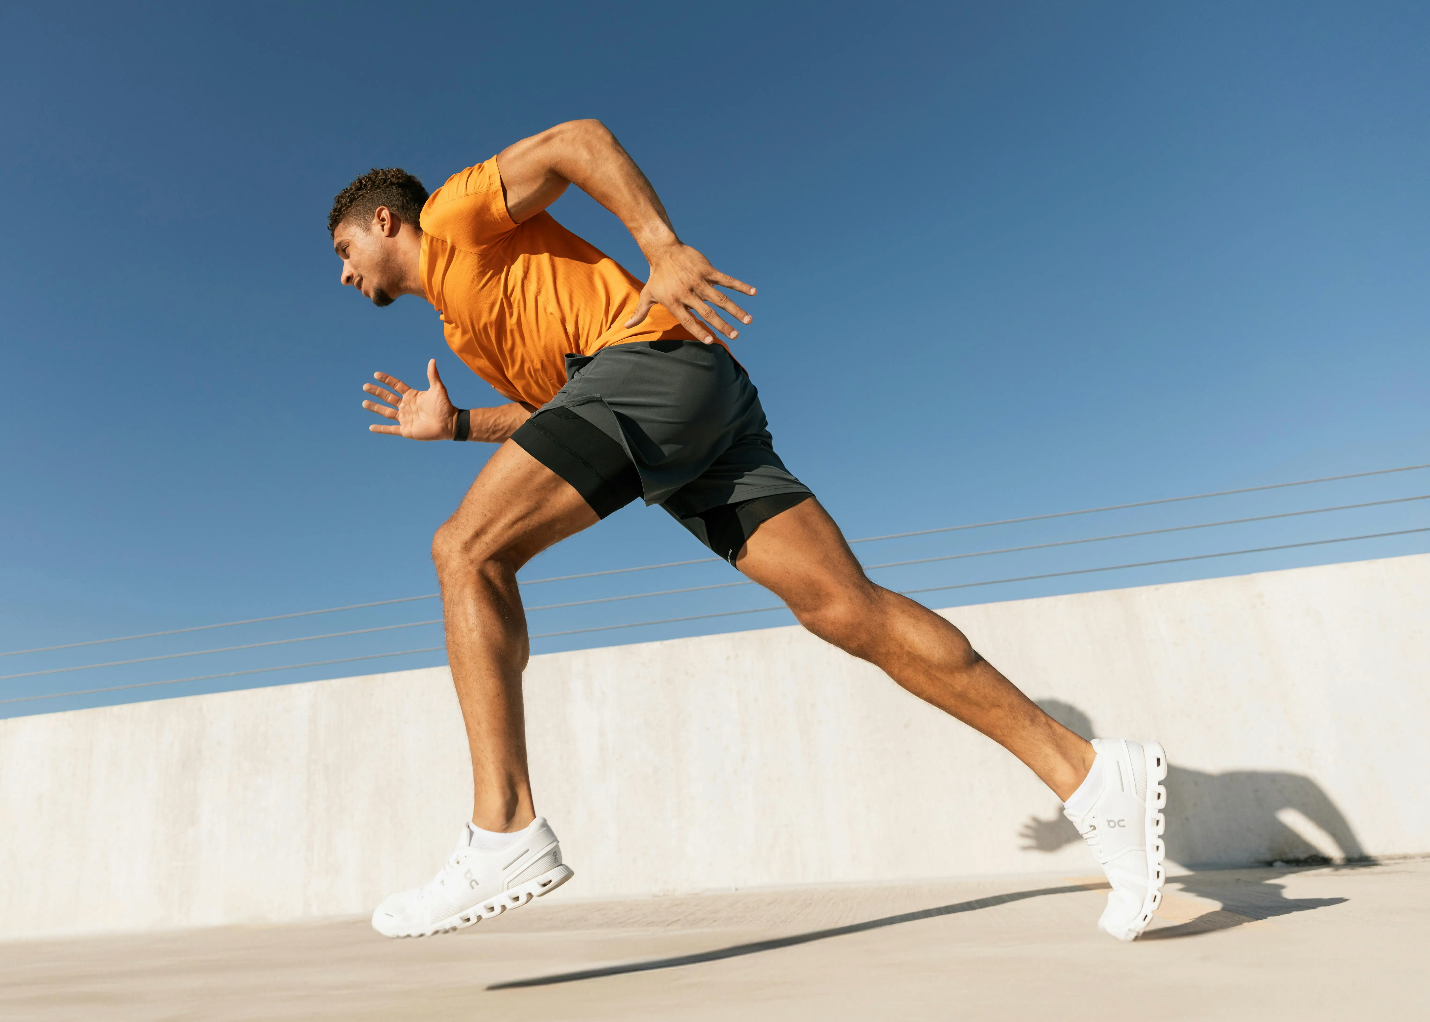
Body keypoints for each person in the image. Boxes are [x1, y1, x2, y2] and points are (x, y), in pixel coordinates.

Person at [328, 119, 1168, 942]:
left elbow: (577, 141)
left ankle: (504, 825)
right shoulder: (462, 329)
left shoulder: (454, 216)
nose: (343, 273)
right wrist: (459, 425)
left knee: (466, 550)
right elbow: (559, 421)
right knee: (845, 608)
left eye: (344, 250)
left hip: (652, 362)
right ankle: (1091, 775)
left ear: (385, 221)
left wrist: (661, 249)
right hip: (684, 402)